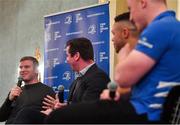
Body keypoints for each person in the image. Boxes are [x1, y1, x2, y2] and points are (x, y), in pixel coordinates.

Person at [45, 0, 180, 123]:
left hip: (146, 113)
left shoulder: (160, 27)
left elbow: (122, 77)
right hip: (145, 108)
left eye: (131, 9)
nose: (131, 17)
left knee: (58, 117)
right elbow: (146, 83)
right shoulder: (170, 26)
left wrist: (125, 50)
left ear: (143, 2)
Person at [0, 56, 55, 124]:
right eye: (21, 67)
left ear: (36, 70)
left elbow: (49, 119)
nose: (22, 70)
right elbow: (1, 117)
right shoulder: (15, 91)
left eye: (27, 67)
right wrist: (9, 100)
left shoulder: (47, 91)